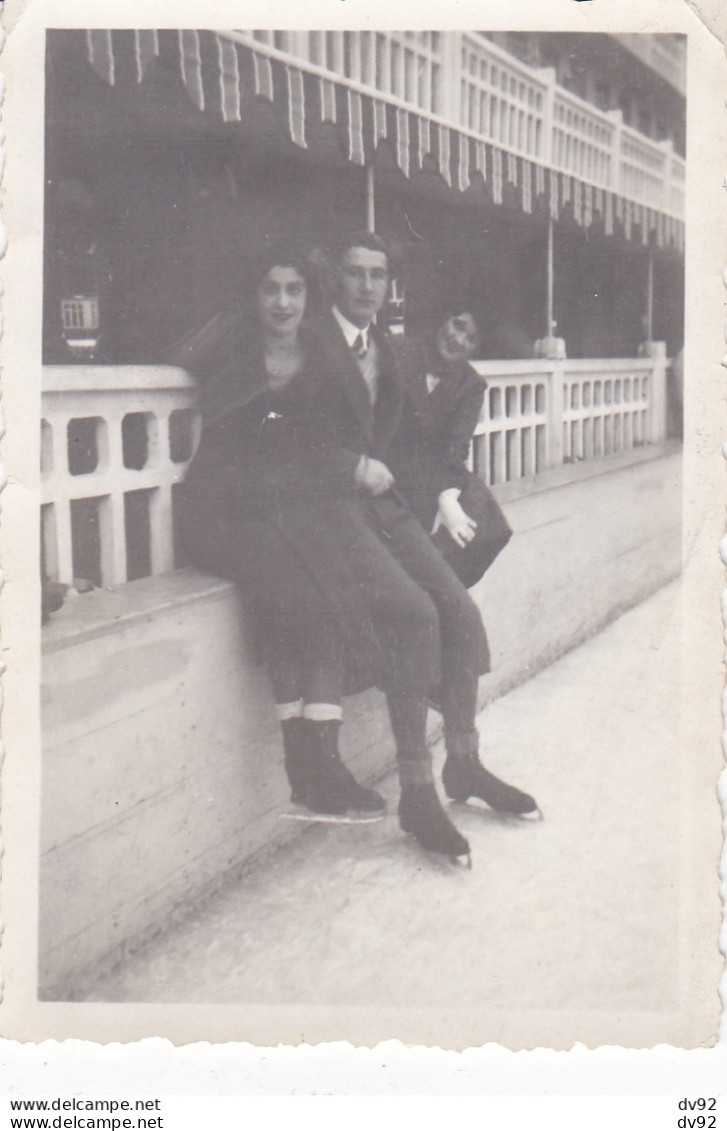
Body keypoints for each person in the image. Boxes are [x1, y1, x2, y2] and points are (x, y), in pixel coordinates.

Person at [314, 231, 539, 857]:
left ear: (389, 286)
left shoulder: (384, 347)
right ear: (337, 280)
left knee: (461, 614)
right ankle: (418, 794)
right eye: (355, 274)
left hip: (393, 503)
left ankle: (463, 763)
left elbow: (416, 444)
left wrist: (437, 491)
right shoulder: (320, 343)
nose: (366, 287)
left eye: (377, 276)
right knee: (414, 617)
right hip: (338, 512)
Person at [177, 246, 387, 820]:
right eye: (271, 289)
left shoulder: (321, 361)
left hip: (279, 511)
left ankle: (314, 768)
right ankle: (317, 770)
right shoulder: (233, 357)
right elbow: (254, 455)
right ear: (254, 296)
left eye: (294, 290)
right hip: (222, 514)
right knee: (299, 576)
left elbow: (333, 437)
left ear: (308, 299)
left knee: (310, 582)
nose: (282, 302)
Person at [388, 307, 513, 589]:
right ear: (442, 319)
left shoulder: (471, 384)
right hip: (382, 476)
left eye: (471, 339)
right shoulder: (399, 351)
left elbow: (456, 447)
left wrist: (446, 496)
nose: (459, 340)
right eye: (458, 326)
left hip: (425, 485)